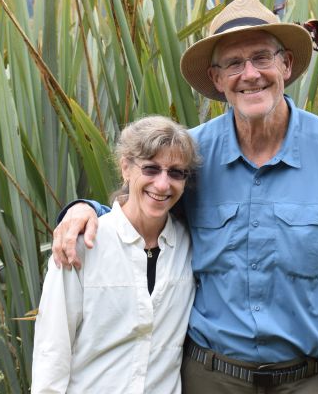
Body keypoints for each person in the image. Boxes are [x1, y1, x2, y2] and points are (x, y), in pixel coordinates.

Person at [54, 0, 318, 393]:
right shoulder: (192, 155)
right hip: (212, 378)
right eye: (233, 63)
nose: (250, 74)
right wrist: (83, 209)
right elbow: (143, 212)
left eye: (262, 58)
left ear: (286, 65)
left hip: (311, 381)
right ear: (216, 79)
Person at [32, 116, 201, 393]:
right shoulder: (84, 244)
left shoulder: (189, 245)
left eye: (175, 173)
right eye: (150, 169)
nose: (162, 184)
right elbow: (53, 347)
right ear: (126, 167)